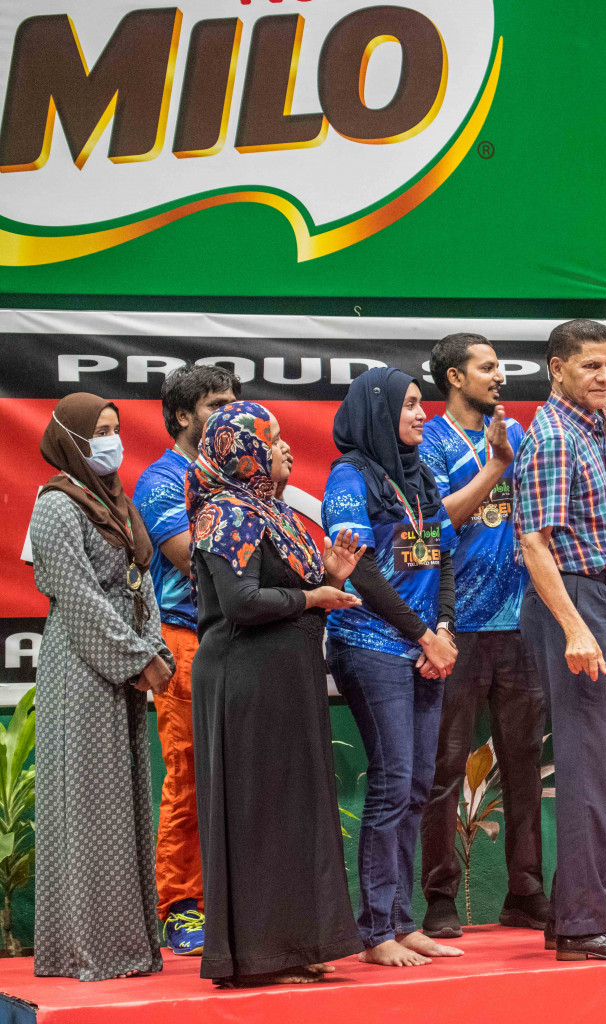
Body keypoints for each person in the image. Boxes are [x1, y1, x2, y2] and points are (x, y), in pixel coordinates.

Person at [187, 402, 366, 985]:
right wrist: (316, 597)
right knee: (258, 815)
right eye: (274, 439)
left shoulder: (272, 511)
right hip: (245, 680)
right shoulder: (225, 514)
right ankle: (256, 958)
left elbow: (292, 595)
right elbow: (241, 604)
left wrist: (331, 580)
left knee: (292, 813)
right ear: (246, 453)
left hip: (285, 680)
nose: (286, 447)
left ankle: (294, 944)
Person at [514, 318, 606, 962]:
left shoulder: (594, 430)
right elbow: (535, 544)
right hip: (568, 603)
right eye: (589, 367)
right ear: (556, 369)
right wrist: (578, 627)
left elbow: (593, 548)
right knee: (585, 768)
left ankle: (577, 916)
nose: (605, 377)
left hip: (596, 597)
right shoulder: (552, 435)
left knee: (597, 766)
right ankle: (582, 924)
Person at [322, 367, 463, 968]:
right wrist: (423, 635)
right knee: (390, 782)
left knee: (415, 787)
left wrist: (446, 630)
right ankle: (375, 929)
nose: (420, 415)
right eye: (409, 406)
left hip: (424, 648)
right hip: (370, 644)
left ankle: (403, 921)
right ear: (378, 411)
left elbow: (445, 558)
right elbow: (360, 569)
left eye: (420, 405)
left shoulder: (422, 475)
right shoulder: (349, 477)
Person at [29, 393, 173, 981]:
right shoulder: (56, 506)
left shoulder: (119, 502)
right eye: (99, 431)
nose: (111, 440)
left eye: (116, 428)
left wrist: (156, 646)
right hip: (84, 665)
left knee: (125, 804)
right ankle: (88, 950)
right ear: (71, 439)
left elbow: (144, 581)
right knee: (91, 808)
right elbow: (78, 595)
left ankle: (130, 945)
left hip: (126, 665)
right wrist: (137, 657)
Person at [416, 334, 550, 939]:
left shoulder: (519, 436)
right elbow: (436, 521)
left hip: (520, 625)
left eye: (501, 367)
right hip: (456, 628)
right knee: (444, 769)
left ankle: (525, 891)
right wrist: (495, 467)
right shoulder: (431, 441)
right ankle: (441, 896)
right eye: (487, 367)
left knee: (525, 768)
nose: (500, 377)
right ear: (454, 376)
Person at [131, 365, 239, 956]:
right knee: (191, 774)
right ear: (180, 415)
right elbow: (186, 559)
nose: (227, 413)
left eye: (232, 403)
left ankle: (235, 895)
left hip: (244, 636)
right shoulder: (164, 479)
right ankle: (181, 904)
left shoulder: (239, 476)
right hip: (184, 638)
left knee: (241, 773)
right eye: (215, 404)